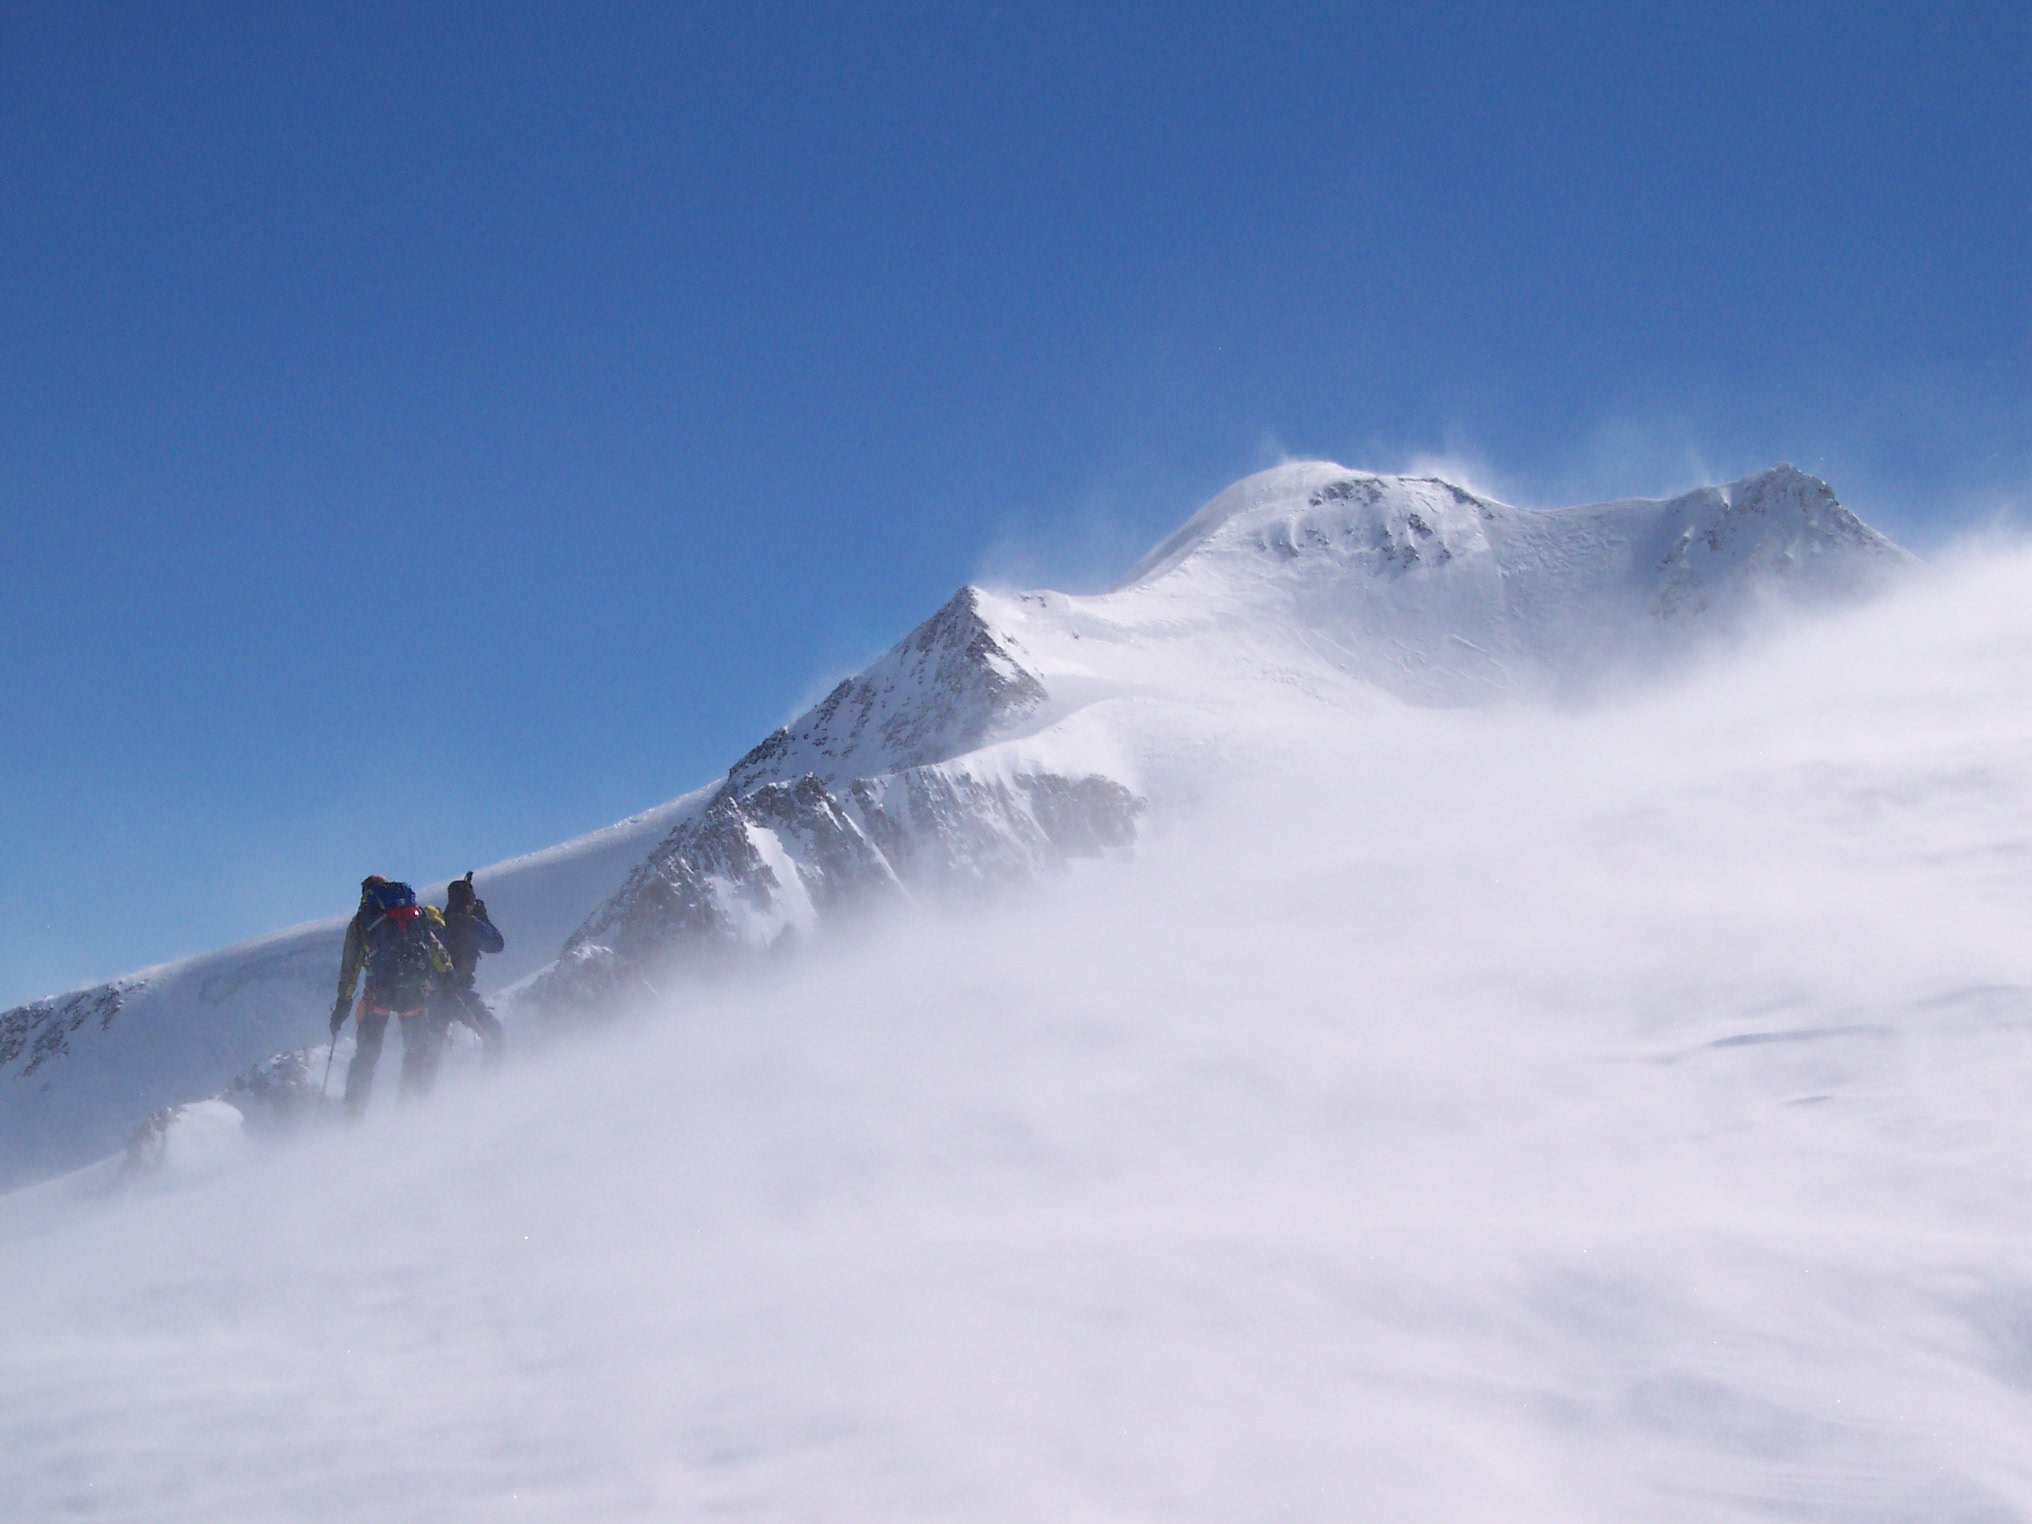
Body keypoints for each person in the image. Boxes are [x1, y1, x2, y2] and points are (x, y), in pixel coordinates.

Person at [330, 876, 454, 1116]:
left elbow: (350, 968)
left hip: (379, 994)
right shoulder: (414, 913)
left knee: (367, 1053)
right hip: (412, 991)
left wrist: (343, 1005)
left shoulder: (362, 921)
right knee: (416, 1049)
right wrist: (448, 976)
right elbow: (434, 946)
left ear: (365, 894)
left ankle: (353, 1113)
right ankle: (410, 1107)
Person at [432, 872, 506, 1063]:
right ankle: (491, 1085)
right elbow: (497, 944)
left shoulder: (439, 923)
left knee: (432, 1049)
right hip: (459, 994)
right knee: (493, 1032)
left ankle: (420, 1090)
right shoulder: (469, 923)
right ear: (468, 902)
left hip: (433, 997)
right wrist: (483, 917)